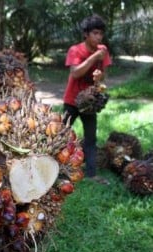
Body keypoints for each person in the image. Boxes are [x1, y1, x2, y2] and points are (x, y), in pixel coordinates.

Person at [62, 14, 112, 184]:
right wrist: (93, 58)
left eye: (101, 34)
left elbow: (104, 76)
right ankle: (56, 169)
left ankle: (91, 174)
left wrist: (99, 77)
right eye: (95, 33)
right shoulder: (75, 50)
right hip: (72, 100)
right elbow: (75, 73)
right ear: (86, 34)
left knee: (90, 138)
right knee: (60, 134)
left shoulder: (102, 50)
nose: (99, 37)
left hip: (90, 104)